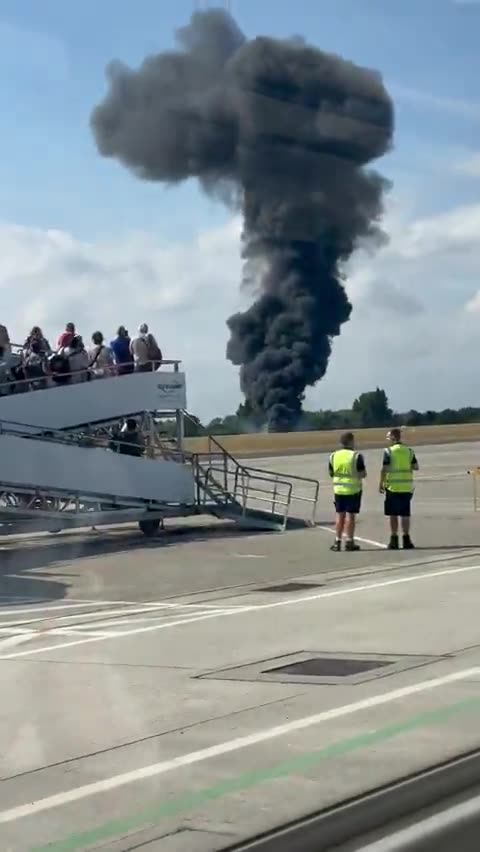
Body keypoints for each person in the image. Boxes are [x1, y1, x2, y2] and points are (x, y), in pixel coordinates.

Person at [379, 427, 419, 550]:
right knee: (405, 515)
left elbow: (384, 468)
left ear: (392, 437)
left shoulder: (389, 451)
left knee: (393, 515)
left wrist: (381, 483)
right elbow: (415, 466)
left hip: (393, 487)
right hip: (406, 487)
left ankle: (394, 539)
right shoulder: (409, 451)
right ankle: (406, 539)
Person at [329, 432, 367, 552]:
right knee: (351, 516)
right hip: (353, 490)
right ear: (351, 441)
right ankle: (349, 541)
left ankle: (337, 541)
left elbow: (331, 473)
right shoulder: (356, 456)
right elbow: (362, 473)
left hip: (339, 490)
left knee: (340, 515)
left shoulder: (333, 456)